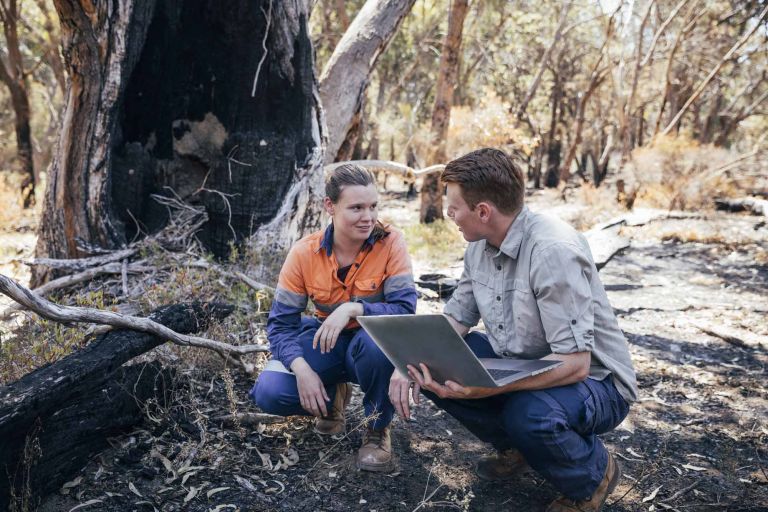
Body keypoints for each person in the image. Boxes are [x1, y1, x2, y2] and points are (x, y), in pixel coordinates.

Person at [388, 148, 638, 511]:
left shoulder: (552, 251)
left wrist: (485, 387)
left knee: (529, 413)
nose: (448, 214)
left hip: (597, 384)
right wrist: (407, 362)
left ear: (484, 211)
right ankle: (519, 448)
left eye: (454, 206)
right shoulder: (479, 246)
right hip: (523, 367)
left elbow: (576, 364)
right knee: (435, 365)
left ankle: (593, 474)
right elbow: (457, 318)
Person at [250, 163, 417, 472]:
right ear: (330, 206)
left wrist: (354, 308)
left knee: (376, 342)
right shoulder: (303, 253)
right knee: (269, 391)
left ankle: (377, 428)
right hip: (328, 344)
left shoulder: (391, 242)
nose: (368, 217)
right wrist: (302, 370)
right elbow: (280, 325)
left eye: (372, 206)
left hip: (371, 348)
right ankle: (331, 400)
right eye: (356, 208)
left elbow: (405, 311)